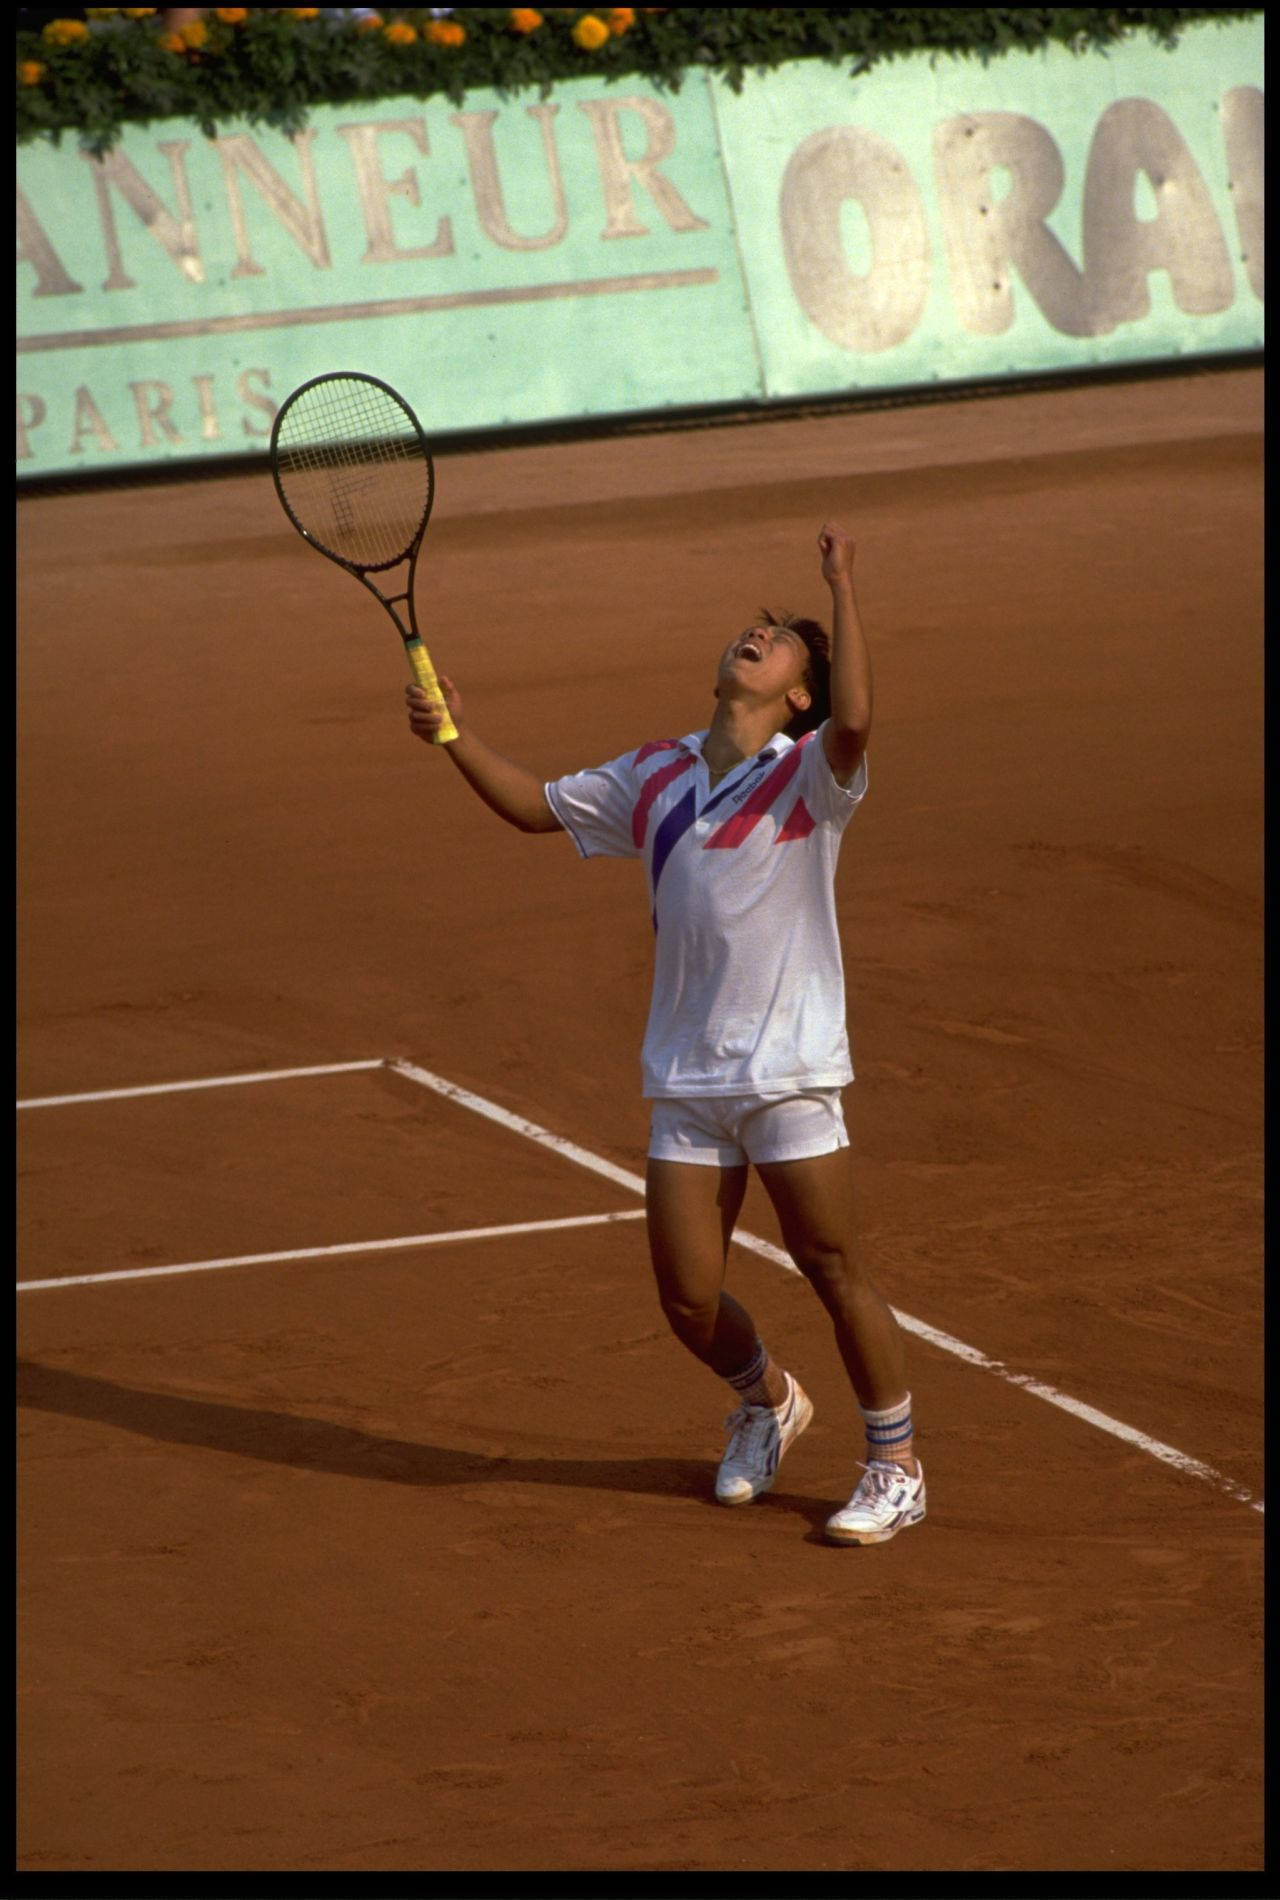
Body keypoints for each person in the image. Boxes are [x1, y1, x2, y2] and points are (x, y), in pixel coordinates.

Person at [405, 521, 925, 1546]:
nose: (755, 634)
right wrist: (455, 738)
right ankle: (767, 1400)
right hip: (687, 1073)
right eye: (753, 627)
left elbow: (860, 715)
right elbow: (534, 808)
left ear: (798, 696)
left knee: (830, 1266)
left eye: (778, 641)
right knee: (688, 1299)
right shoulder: (653, 773)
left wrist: (842, 585)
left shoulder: (809, 775)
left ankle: (894, 1462)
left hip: (784, 1067)